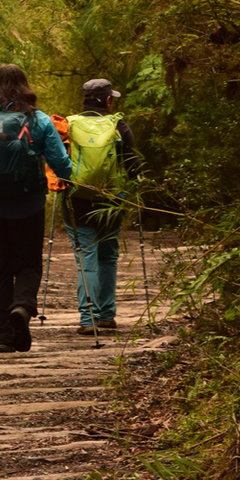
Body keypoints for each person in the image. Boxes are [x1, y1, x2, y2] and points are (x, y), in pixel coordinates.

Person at [0, 64, 72, 353]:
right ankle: (22, 307)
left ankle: (3, 336)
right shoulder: (39, 121)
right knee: (29, 263)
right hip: (28, 205)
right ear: (26, 86)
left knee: (0, 267)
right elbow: (62, 165)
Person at [62, 78, 140, 335]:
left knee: (87, 257)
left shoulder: (69, 124)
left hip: (77, 200)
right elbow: (132, 163)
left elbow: (57, 160)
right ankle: (107, 314)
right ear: (108, 100)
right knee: (108, 256)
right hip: (112, 199)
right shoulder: (118, 124)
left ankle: (88, 318)